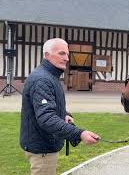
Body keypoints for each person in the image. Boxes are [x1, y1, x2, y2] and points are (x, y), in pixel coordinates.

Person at [20, 38, 100, 175]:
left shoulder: (50, 76)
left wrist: (64, 114)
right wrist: (79, 133)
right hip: (42, 149)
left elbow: (48, 106)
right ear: (47, 55)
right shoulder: (42, 79)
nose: (67, 58)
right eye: (62, 54)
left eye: (67, 54)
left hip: (44, 145)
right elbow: (46, 118)